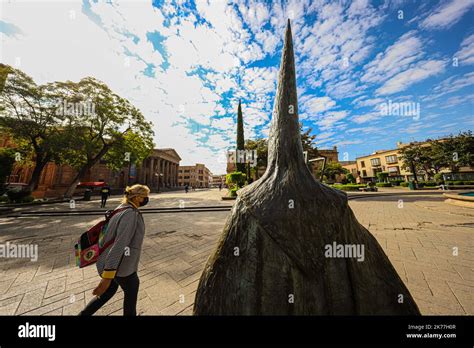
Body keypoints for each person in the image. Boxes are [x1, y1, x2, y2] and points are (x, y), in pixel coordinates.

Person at [79, 184, 150, 316]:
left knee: (109, 291)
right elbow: (120, 244)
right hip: (122, 267)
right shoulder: (131, 214)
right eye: (145, 196)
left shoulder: (120, 209)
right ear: (137, 198)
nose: (147, 199)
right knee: (131, 290)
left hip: (109, 262)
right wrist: (107, 276)